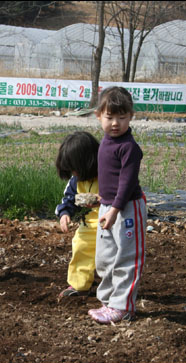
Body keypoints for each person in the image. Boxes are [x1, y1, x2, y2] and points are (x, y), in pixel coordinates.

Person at [88, 86, 147, 324]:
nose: (115, 123)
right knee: (105, 257)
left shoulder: (129, 147)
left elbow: (126, 181)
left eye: (122, 118)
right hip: (108, 206)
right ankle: (108, 300)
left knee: (126, 257)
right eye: (109, 117)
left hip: (127, 208)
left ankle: (123, 306)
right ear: (98, 116)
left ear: (131, 117)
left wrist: (114, 209)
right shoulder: (105, 142)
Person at [55, 131, 100, 297]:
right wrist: (65, 213)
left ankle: (113, 288)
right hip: (91, 221)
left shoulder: (108, 173)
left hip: (112, 219)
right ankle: (79, 285)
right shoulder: (76, 180)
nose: (73, 174)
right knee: (80, 245)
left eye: (75, 169)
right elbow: (69, 198)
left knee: (110, 255)